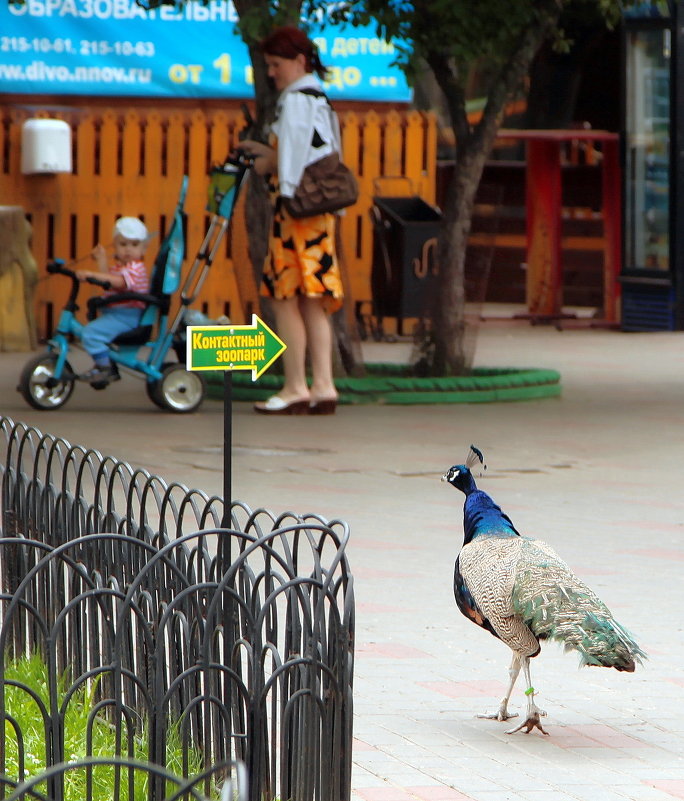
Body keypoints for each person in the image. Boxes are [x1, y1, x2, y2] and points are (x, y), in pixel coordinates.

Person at [241, 25, 344, 415]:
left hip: (295, 213)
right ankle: (323, 386)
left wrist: (266, 162)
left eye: (276, 64)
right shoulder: (319, 97)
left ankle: (296, 385)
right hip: (317, 215)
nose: (271, 72)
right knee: (313, 301)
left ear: (299, 61)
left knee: (285, 298)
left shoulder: (297, 98)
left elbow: (292, 162)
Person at [76, 216, 150, 384]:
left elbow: (120, 283)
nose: (128, 250)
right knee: (93, 331)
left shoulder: (136, 268)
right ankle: (105, 365)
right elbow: (109, 281)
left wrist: (91, 274)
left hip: (127, 317)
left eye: (134, 244)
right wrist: (102, 259)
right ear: (115, 247)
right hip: (117, 315)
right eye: (123, 244)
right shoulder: (121, 267)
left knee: (91, 334)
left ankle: (105, 369)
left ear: (143, 249)